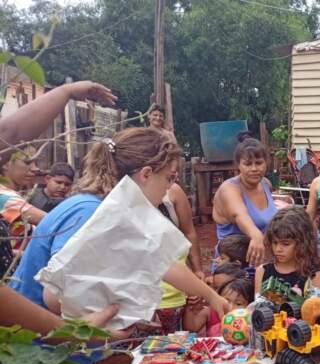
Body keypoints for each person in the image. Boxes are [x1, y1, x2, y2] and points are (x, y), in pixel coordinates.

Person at [11, 127, 230, 317]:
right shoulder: (92, 213)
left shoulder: (114, 212)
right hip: (42, 354)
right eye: (169, 178)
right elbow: (56, 294)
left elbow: (160, 261)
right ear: (146, 174)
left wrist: (211, 297)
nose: (169, 187)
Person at [0, 80, 120, 329]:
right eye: (27, 161)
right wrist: (76, 334)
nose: (35, 168)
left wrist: (66, 92)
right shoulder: (86, 209)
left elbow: (9, 135)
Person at [213, 137, 277, 268]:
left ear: (266, 163)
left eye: (259, 163)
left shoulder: (265, 184)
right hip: (233, 268)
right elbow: (240, 215)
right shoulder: (229, 189)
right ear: (238, 166)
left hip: (261, 263)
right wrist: (256, 236)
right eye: (248, 164)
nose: (254, 168)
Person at [155, 181, 205, 334]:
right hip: (142, 299)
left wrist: (197, 271)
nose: (172, 175)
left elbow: (189, 232)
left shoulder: (173, 191)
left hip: (173, 293)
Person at [254, 206, 320, 295]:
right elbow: (257, 305)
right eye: (275, 243)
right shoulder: (262, 271)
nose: (278, 249)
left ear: (302, 243)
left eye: (286, 244)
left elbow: (315, 307)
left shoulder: (314, 275)